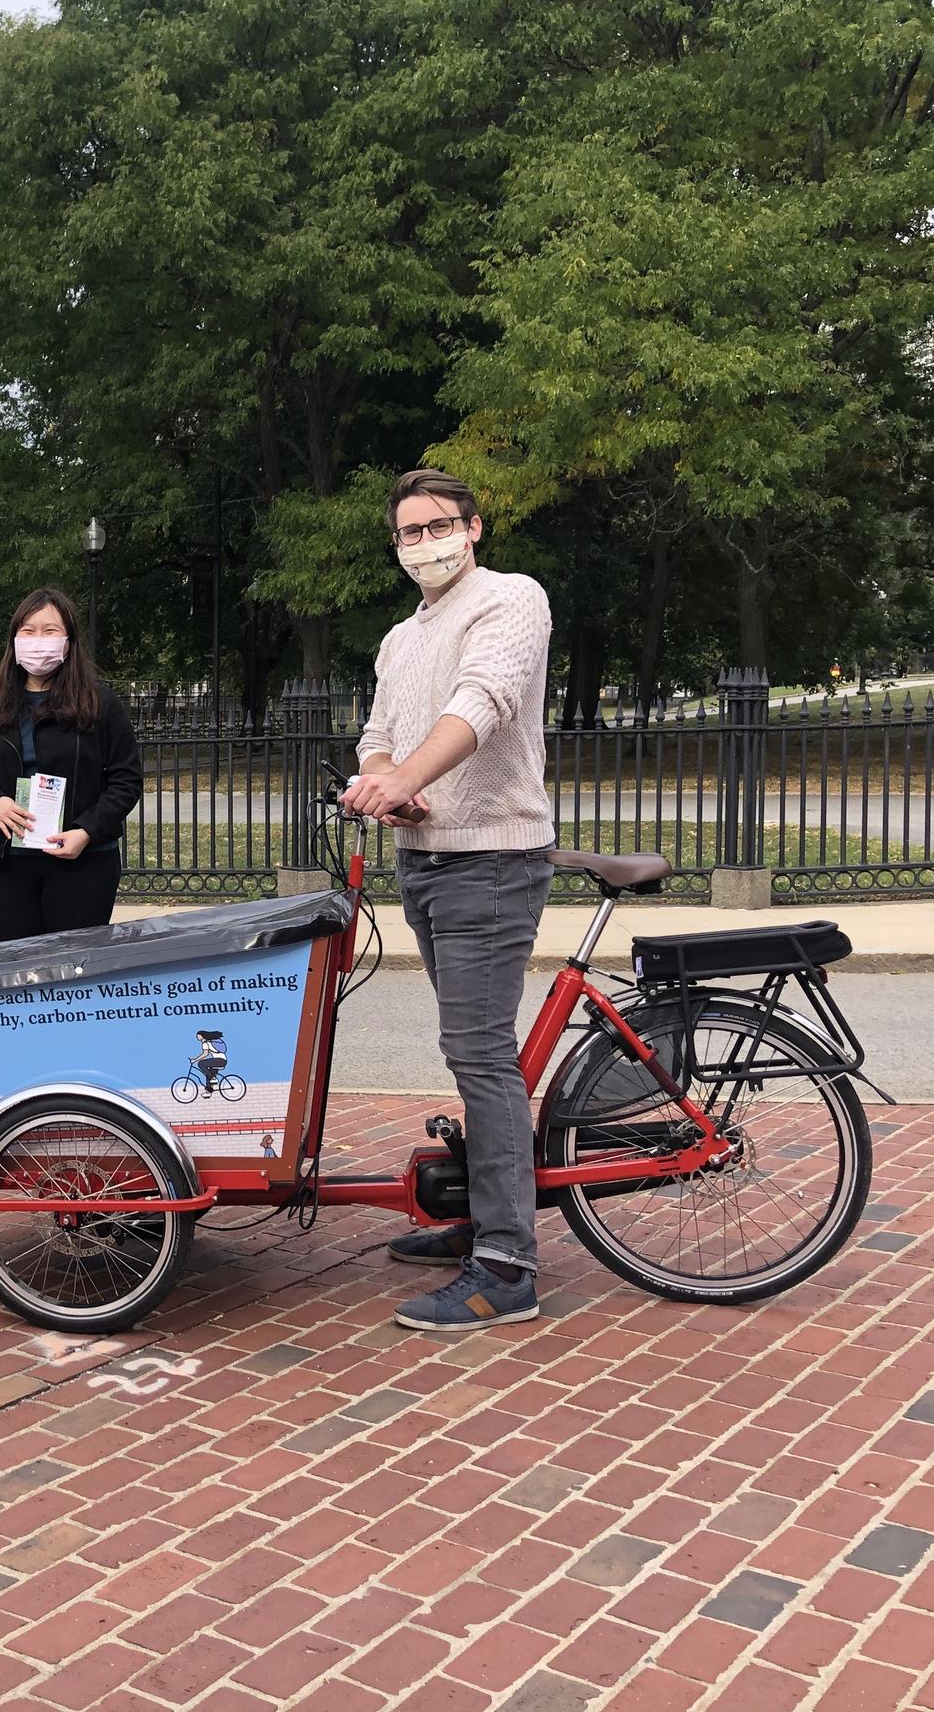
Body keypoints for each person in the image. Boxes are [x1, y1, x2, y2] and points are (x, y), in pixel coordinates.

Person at [341, 468, 556, 1332]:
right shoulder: (401, 638)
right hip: (424, 859)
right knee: (469, 1050)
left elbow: (485, 704)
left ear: (474, 527)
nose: (424, 543)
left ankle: (507, 1267)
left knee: (479, 1056)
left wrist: (413, 777)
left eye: (438, 526)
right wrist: (386, 782)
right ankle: (478, 1217)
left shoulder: (511, 600)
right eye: (408, 533)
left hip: (491, 859)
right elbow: (380, 736)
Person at [0, 587, 143, 943]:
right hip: (6, 859)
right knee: (13, 968)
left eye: (50, 631)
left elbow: (126, 780)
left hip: (80, 859)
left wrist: (86, 831)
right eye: (29, 630)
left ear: (68, 641)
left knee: (72, 971)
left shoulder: (99, 702)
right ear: (15, 638)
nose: (39, 640)